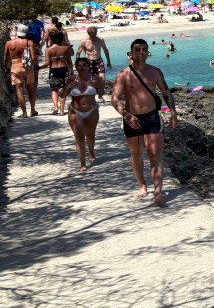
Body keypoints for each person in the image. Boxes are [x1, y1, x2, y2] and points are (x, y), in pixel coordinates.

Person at [112, 39, 177, 205]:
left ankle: (158, 191)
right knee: (136, 154)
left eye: (144, 49)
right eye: (137, 49)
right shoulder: (123, 75)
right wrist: (126, 115)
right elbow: (115, 99)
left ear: (148, 52)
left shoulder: (155, 72)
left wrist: (173, 112)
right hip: (132, 118)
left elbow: (166, 92)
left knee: (154, 154)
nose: (141, 52)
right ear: (131, 53)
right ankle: (142, 185)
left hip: (152, 117)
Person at [61, 58, 99, 172]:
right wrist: (68, 87)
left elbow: (101, 93)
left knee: (91, 135)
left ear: (88, 67)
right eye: (79, 65)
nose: (81, 67)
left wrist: (99, 86)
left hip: (92, 111)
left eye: (84, 65)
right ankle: (82, 163)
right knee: (79, 137)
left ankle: (91, 152)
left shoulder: (95, 78)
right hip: (75, 111)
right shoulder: (72, 79)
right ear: (76, 67)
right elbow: (62, 95)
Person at [3, 24, 38, 117]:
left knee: (19, 90)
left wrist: (6, 67)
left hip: (15, 67)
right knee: (31, 89)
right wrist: (36, 66)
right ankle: (33, 110)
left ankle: (24, 113)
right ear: (26, 33)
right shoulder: (29, 42)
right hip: (28, 68)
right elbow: (34, 58)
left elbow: (5, 59)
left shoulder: (9, 43)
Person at [42, 28, 75, 115]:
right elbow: (69, 61)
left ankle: (55, 107)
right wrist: (71, 71)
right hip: (63, 69)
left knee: (54, 89)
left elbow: (47, 63)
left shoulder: (48, 50)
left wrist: (38, 67)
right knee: (63, 89)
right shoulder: (65, 48)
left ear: (51, 39)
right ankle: (62, 111)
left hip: (53, 70)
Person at [76, 26, 112, 101]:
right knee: (90, 80)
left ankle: (100, 94)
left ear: (96, 33)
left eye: (94, 34)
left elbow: (105, 50)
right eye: (91, 35)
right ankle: (90, 94)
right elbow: (78, 53)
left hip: (98, 60)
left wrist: (108, 62)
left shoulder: (100, 40)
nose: (93, 37)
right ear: (88, 34)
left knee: (102, 78)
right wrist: (78, 64)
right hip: (88, 62)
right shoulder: (84, 41)